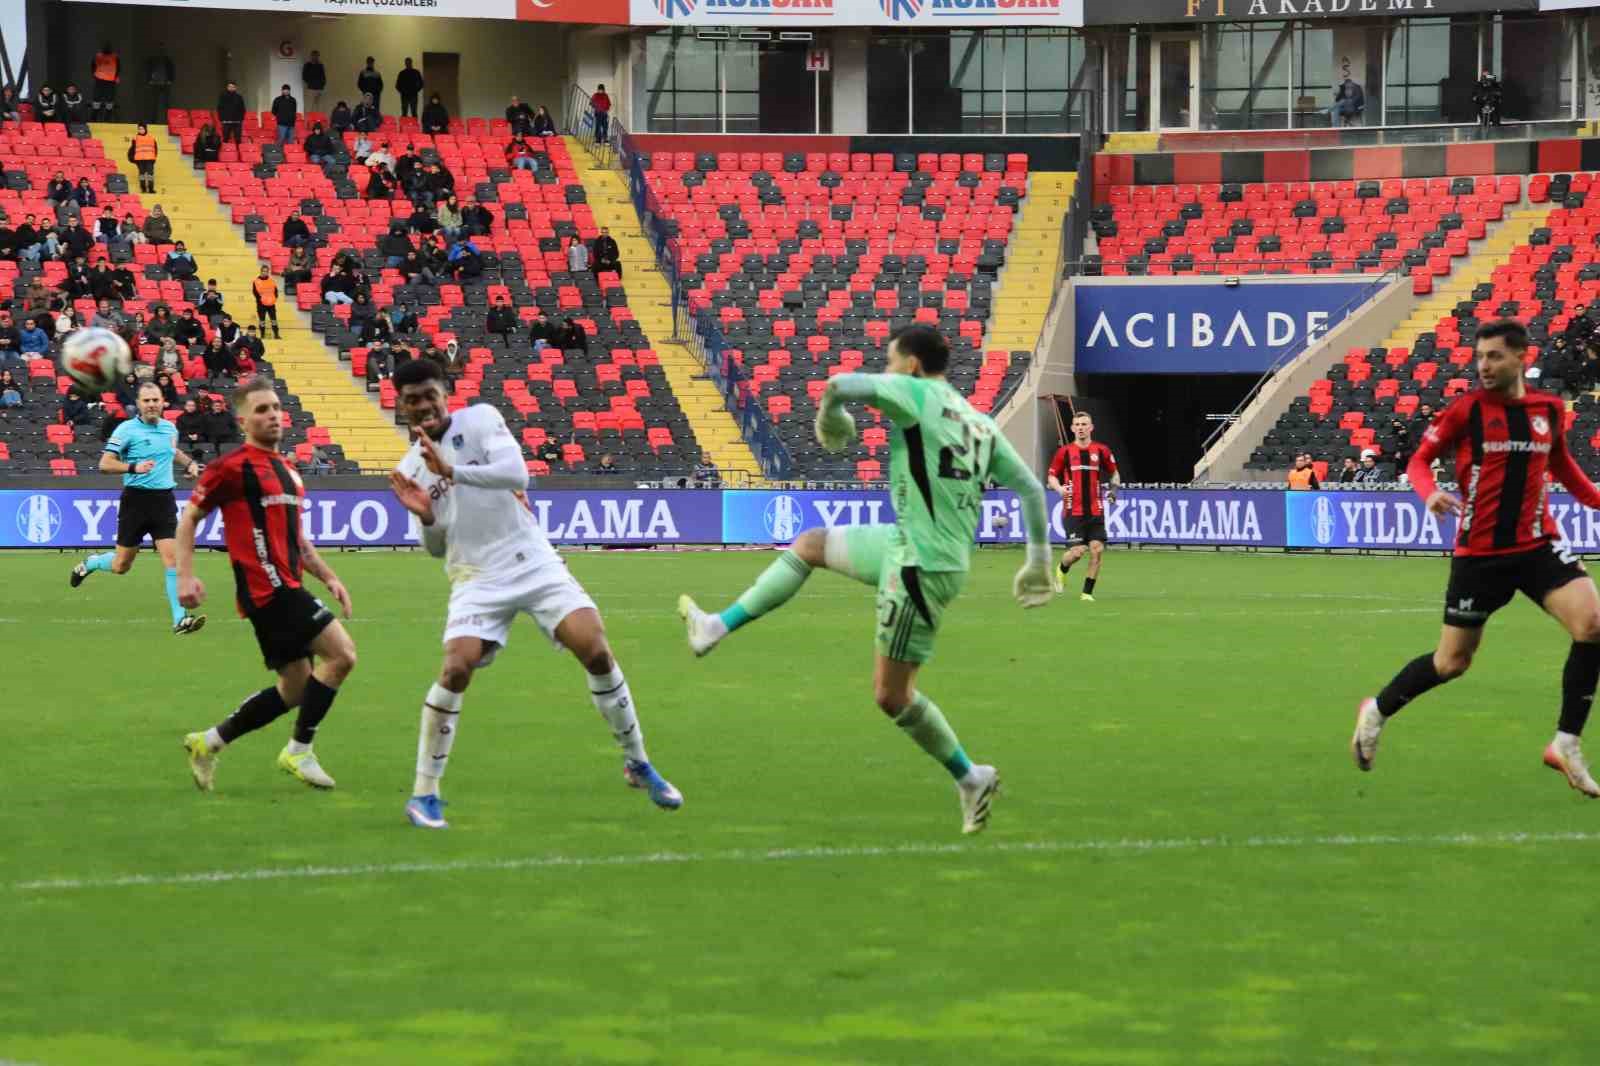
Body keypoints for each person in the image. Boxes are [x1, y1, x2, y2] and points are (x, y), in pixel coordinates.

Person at [677, 325, 1056, 834]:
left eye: (891, 361)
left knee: (891, 695)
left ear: (913, 365)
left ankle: (971, 776)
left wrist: (831, 419)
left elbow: (839, 384)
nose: (887, 371)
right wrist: (1036, 561)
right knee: (810, 544)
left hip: (920, 566)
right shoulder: (980, 423)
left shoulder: (915, 391)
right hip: (913, 546)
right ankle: (715, 626)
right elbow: (1031, 490)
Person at [386, 358, 682, 829]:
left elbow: (517, 474)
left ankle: (638, 761)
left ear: (446, 393)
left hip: (530, 557)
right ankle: (425, 793)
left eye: (429, 394)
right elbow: (435, 547)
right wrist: (424, 517)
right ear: (399, 405)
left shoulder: (480, 419)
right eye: (412, 399)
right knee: (456, 667)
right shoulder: (408, 469)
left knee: (597, 650)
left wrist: (453, 470)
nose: (423, 405)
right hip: (474, 575)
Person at [1353, 320, 1600, 796]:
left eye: (1494, 357)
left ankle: (1566, 743)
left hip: (1536, 544)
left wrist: (1596, 499)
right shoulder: (1466, 412)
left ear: (1521, 357)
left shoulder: (1548, 409)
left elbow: (1562, 466)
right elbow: (1418, 462)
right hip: (1480, 555)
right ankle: (1376, 713)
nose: (1484, 366)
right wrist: (1427, 494)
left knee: (1592, 624)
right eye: (1480, 357)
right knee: (1452, 662)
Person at [176, 375, 357, 793]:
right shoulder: (231, 469)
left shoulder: (290, 472)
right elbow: (189, 519)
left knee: (295, 687)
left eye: (275, 407)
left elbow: (297, 539)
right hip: (268, 589)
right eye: (261, 409)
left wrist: (329, 576)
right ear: (242, 420)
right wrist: (184, 575)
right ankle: (299, 750)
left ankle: (208, 742)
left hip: (284, 585)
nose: (272, 414)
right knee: (342, 655)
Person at [70, 380, 206, 633]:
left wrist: (189, 464)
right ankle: (91, 563)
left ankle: (179, 620)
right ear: (139, 404)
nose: (152, 405)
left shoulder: (169, 428)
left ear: (163, 402)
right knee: (122, 565)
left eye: (156, 400)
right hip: (135, 501)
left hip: (164, 501)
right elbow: (105, 463)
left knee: (172, 560)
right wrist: (133, 467)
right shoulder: (126, 430)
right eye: (147, 401)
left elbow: (172, 451)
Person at [1046, 411, 1121, 602]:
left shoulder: (1102, 450)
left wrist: (1113, 491)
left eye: (1084, 424)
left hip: (1096, 511)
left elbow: (1115, 474)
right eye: (1077, 424)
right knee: (1077, 553)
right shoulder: (1065, 452)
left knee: (1097, 550)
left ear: (1091, 427)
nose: (1080, 428)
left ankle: (1087, 594)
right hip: (1073, 511)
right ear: (1072, 428)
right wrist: (1059, 488)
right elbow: (1051, 476)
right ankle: (1061, 569)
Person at [145, 46, 175, 124]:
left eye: (162, 50)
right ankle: (153, 122)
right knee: (154, 105)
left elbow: (171, 70)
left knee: (167, 105)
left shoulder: (167, 60)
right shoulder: (152, 60)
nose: (160, 51)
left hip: (165, 84)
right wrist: (149, 80)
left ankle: (169, 122)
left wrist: (170, 80)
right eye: (159, 49)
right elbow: (148, 70)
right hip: (155, 84)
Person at [91, 43, 120, 119]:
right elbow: (93, 65)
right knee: (97, 98)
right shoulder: (98, 56)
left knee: (110, 99)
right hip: (100, 79)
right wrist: (94, 74)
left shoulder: (115, 56)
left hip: (110, 80)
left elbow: (118, 67)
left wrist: (116, 77)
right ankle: (94, 116)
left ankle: (108, 117)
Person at [252, 264, 281, 339]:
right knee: (262, 321)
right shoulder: (256, 281)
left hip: (271, 304)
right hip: (261, 304)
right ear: (261, 271)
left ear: (268, 272)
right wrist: (262, 300)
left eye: (266, 271)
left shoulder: (271, 281)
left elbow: (276, 291)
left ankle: (276, 335)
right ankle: (262, 335)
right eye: (263, 271)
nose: (265, 273)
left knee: (274, 320)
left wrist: (273, 298)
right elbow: (255, 293)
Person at [128, 123, 158, 194]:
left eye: (142, 129)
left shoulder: (151, 137)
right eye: (139, 129)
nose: (140, 130)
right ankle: (143, 188)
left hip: (149, 159)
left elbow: (155, 148)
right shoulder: (135, 138)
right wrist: (132, 158)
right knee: (141, 174)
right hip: (140, 159)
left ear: (145, 129)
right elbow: (133, 149)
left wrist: (154, 157)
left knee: (150, 174)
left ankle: (151, 188)